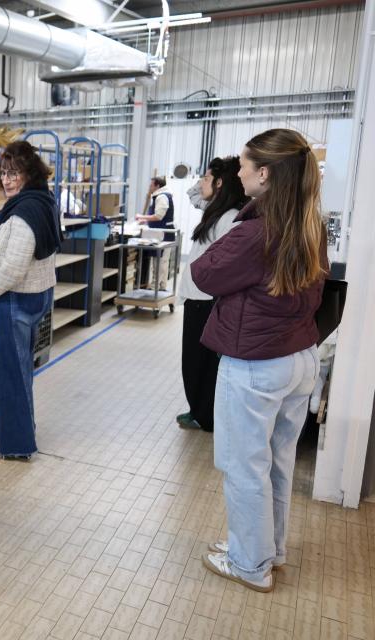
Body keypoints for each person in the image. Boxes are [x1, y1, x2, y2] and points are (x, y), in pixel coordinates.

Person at [192, 128, 327, 592]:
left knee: (244, 466)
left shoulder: (254, 231)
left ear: (264, 174)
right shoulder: (309, 222)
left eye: (245, 165)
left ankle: (250, 565)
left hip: (256, 365)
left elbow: (203, 273)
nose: (239, 172)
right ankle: (268, 550)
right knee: (275, 464)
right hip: (298, 357)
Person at [0, 141, 60, 460]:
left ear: (29, 174)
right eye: (4, 174)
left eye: (15, 173)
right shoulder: (44, 201)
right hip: (38, 295)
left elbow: (12, 268)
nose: (7, 180)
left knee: (7, 375)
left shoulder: (23, 213)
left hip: (16, 300)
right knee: (19, 372)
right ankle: (17, 431)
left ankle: (16, 444)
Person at [175, 156, 250, 432]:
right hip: (198, 298)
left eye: (207, 178)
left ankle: (205, 415)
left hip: (207, 301)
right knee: (194, 362)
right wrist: (213, 177)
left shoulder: (229, 218)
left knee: (201, 364)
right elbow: (193, 193)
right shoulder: (215, 209)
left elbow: (227, 266)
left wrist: (218, 176)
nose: (201, 183)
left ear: (219, 184)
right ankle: (200, 410)